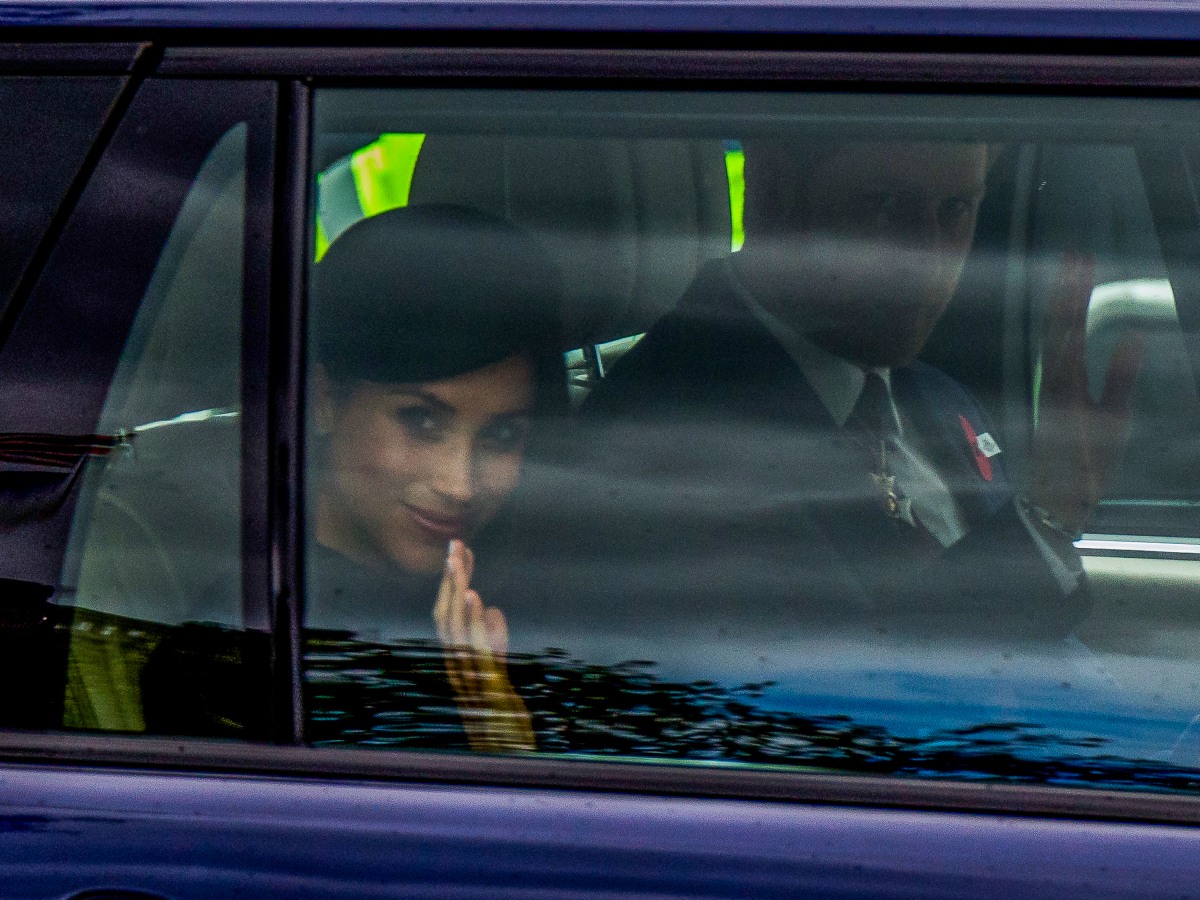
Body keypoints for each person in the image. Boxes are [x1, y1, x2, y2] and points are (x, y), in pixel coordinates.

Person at [519, 140, 1139, 655]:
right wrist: (1045, 520)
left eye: (955, 209)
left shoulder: (940, 401)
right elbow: (868, 691)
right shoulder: (665, 433)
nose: (930, 258)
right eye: (885, 205)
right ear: (773, 195)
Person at [305, 203, 567, 752]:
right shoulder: (251, 648)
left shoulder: (531, 594)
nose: (460, 485)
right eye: (421, 421)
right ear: (323, 399)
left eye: (502, 436)